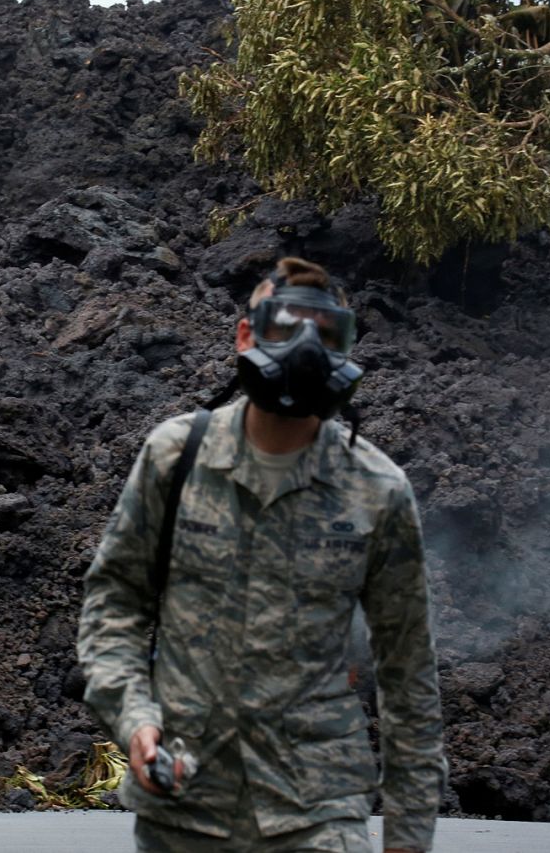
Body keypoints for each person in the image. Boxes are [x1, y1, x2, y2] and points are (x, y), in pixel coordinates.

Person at [77, 257, 445, 852]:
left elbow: (409, 677)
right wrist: (135, 718)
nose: (304, 348)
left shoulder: (376, 489)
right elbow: (114, 603)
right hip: (185, 805)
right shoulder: (177, 458)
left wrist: (408, 837)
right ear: (246, 334)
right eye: (284, 327)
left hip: (317, 813)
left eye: (325, 335)